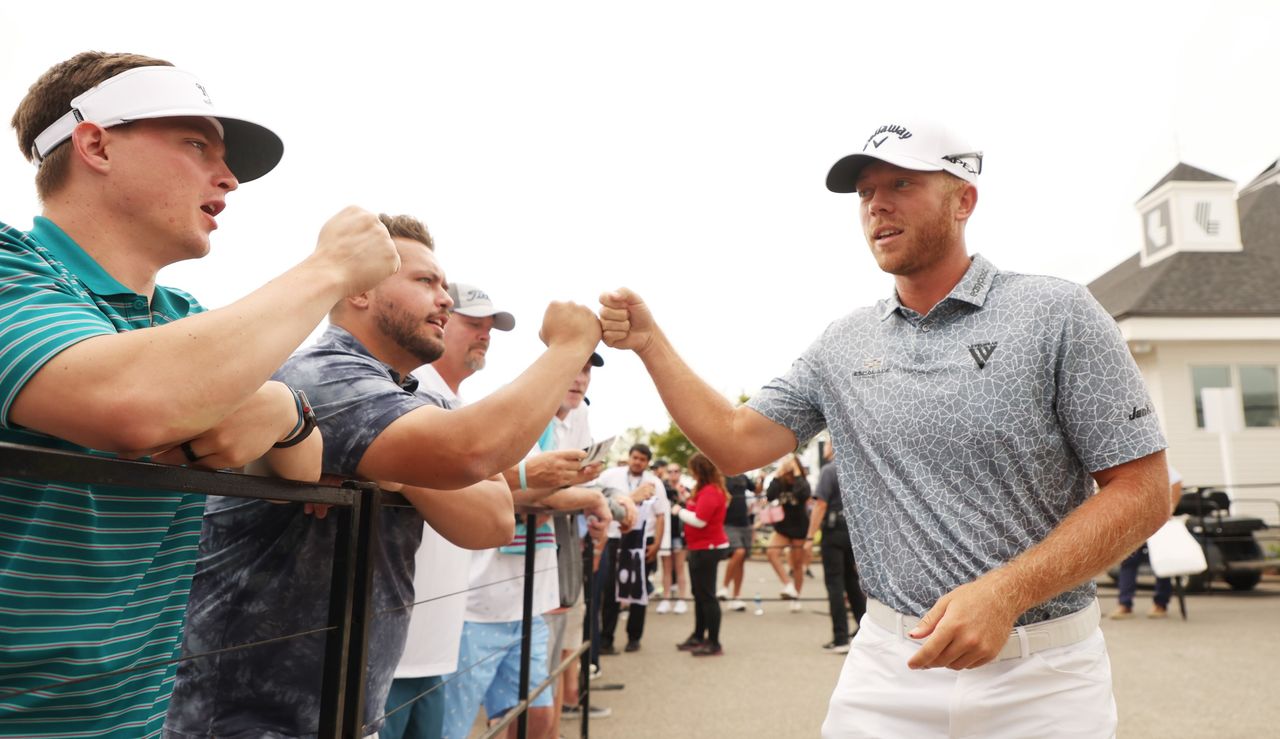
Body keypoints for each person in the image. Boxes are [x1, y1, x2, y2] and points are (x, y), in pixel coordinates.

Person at [598, 120, 1170, 737]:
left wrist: (1007, 592)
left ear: (963, 199)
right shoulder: (843, 342)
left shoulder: (1055, 312)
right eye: (865, 191)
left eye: (901, 182)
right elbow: (736, 442)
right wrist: (651, 344)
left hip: (1043, 675)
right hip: (889, 667)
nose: (876, 204)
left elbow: (1144, 490)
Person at [0, 52, 397, 735]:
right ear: (94, 142)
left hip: (139, 719)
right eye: (195, 145)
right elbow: (128, 401)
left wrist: (281, 415)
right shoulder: (10, 264)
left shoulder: (182, 317)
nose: (230, 177)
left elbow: (303, 471)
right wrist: (330, 268)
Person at [165, 215, 603, 737]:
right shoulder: (322, 373)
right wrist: (567, 348)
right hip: (244, 718)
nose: (444, 298)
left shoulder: (419, 396)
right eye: (424, 281)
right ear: (361, 292)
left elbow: (492, 519)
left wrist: (395, 475)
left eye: (443, 284)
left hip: (347, 709)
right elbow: (469, 453)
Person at [381, 281, 516, 739]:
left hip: (433, 643)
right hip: (393, 651)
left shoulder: (453, 403)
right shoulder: (406, 391)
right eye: (473, 323)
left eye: (489, 328)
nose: (485, 335)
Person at [595, 444, 666, 653]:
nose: (638, 462)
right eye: (635, 457)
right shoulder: (610, 476)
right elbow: (600, 498)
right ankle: (606, 638)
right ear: (629, 457)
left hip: (642, 540)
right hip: (615, 539)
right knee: (610, 590)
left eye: (642, 459)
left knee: (638, 589)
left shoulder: (655, 483)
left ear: (647, 462)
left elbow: (661, 514)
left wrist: (657, 544)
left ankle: (634, 637)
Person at [808, 446, 866, 653]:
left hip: (834, 532)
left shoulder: (829, 470)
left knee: (835, 584)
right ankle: (862, 630)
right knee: (853, 582)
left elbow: (820, 505)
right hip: (854, 532)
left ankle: (840, 637)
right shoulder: (856, 468)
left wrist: (809, 536)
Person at [673, 452, 731, 656]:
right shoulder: (706, 490)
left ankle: (713, 642)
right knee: (700, 595)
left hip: (708, 549)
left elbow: (700, 520)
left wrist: (678, 511)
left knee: (707, 596)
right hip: (700, 548)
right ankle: (699, 636)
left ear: (699, 470)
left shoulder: (711, 492)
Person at [1111, 461, 1185, 619]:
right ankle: (1125, 604)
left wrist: (1170, 508)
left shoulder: (1156, 464)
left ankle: (1160, 604)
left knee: (1161, 561)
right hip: (1135, 521)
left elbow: (1176, 481)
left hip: (1158, 521)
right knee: (1129, 561)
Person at [765, 454, 812, 612]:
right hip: (783, 526)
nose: (786, 464)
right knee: (771, 552)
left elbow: (802, 494)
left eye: (789, 462)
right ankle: (788, 584)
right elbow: (770, 495)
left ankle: (796, 597)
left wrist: (797, 471)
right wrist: (778, 474)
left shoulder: (802, 482)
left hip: (800, 526)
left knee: (797, 564)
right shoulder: (781, 481)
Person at [719, 471, 756, 611]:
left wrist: (762, 479)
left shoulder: (743, 476)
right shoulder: (721, 475)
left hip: (744, 523)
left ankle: (736, 597)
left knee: (741, 561)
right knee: (738, 552)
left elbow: (756, 489)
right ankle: (724, 587)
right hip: (728, 523)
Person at [656, 460, 690, 614]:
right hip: (665, 534)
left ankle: (682, 599)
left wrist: (682, 497)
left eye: (676, 471)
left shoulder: (685, 489)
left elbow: (691, 505)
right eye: (670, 471)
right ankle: (666, 598)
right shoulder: (661, 488)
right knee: (666, 568)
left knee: (680, 567)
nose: (673, 474)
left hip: (680, 534)